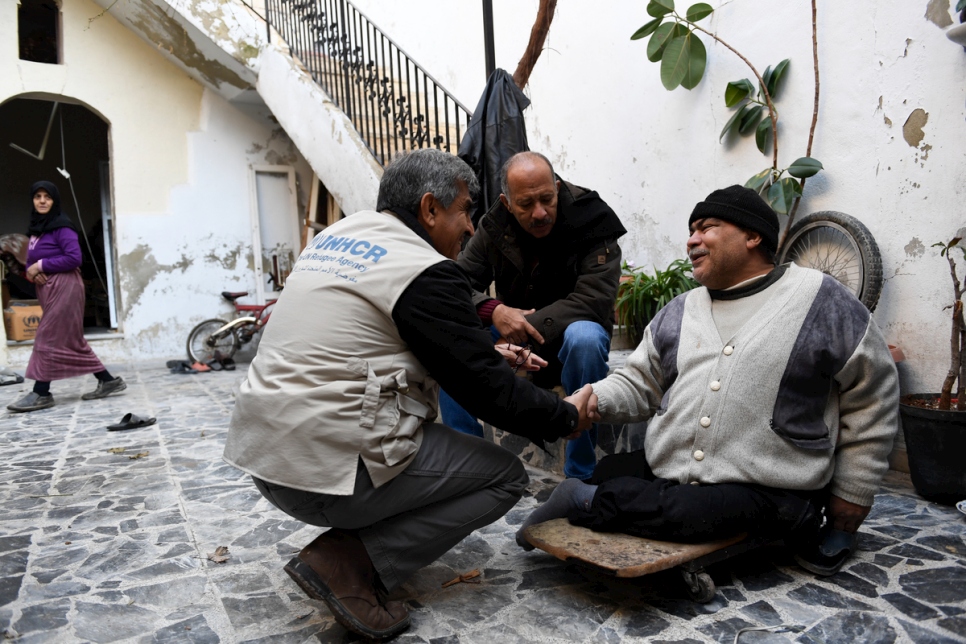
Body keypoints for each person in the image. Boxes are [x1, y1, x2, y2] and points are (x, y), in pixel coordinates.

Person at [223, 149, 591, 641]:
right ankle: (349, 562)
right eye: (463, 211)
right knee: (503, 477)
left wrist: (478, 351)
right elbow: (488, 394)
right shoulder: (424, 269)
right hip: (324, 475)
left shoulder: (337, 237)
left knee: (426, 437)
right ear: (429, 209)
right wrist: (564, 417)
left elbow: (371, 337)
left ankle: (355, 545)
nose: (468, 228)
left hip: (266, 458)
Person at [516, 185, 899, 576]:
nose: (691, 240)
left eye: (706, 227)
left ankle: (582, 500)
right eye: (690, 230)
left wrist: (853, 493)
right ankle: (602, 495)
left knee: (692, 511)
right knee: (613, 472)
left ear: (753, 236)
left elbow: (873, 395)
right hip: (678, 471)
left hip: (769, 486)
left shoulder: (822, 300)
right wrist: (593, 396)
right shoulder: (681, 309)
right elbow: (639, 380)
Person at [440, 151, 627, 481]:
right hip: (513, 343)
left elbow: (594, 299)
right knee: (454, 344)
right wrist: (494, 310)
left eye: (547, 199)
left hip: (567, 338)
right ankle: (467, 470)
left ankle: (580, 476)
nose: (540, 213)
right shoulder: (494, 225)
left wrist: (525, 326)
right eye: (526, 204)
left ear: (556, 188)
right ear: (507, 202)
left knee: (585, 338)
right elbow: (455, 285)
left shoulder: (593, 217)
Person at [6, 181, 126, 413]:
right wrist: (34, 273)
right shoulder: (37, 230)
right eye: (37, 196)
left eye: (47, 197)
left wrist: (41, 265)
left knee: (46, 336)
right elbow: (30, 262)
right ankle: (108, 380)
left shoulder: (63, 227)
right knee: (71, 340)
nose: (42, 201)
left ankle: (41, 392)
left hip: (66, 287)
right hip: (48, 288)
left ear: (55, 201)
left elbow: (74, 258)